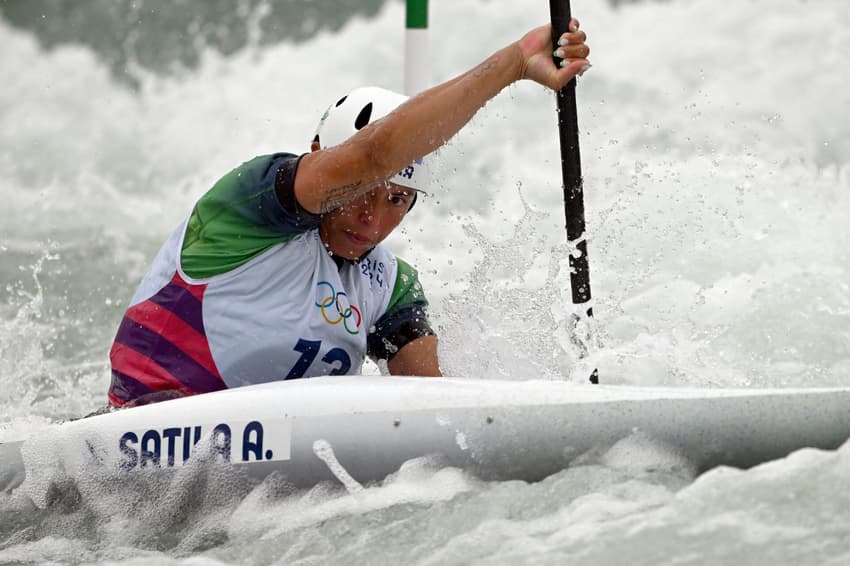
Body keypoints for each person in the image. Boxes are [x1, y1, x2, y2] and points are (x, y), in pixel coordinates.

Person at [107, 20, 591, 408]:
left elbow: (434, 410)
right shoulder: (250, 207)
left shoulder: (388, 285)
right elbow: (373, 156)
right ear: (318, 155)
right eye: (362, 193)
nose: (373, 221)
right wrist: (512, 64)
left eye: (398, 200)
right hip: (141, 435)